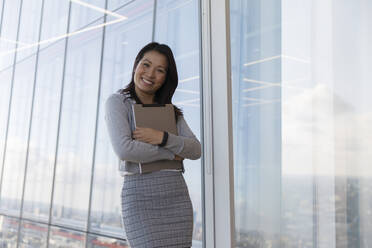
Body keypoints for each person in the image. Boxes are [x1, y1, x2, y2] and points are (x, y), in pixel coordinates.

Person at [105, 42, 201, 248]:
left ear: (166, 77)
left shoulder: (170, 111)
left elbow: (195, 149)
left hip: (176, 198)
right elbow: (125, 149)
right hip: (140, 198)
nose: (150, 74)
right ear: (136, 65)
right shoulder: (118, 103)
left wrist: (162, 137)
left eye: (160, 70)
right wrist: (170, 153)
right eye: (146, 65)